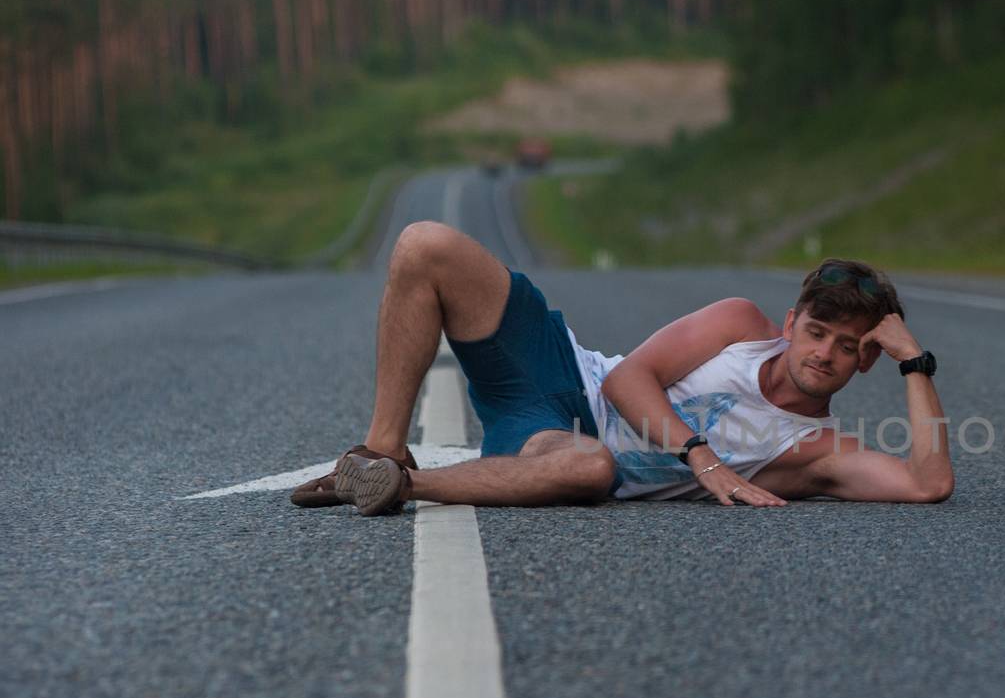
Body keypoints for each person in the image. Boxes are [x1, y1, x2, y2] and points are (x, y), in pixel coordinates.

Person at [290, 221, 952, 516]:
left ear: (865, 359)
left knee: (593, 468)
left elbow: (928, 484)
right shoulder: (740, 323)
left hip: (553, 445)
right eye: (816, 332)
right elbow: (624, 380)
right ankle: (380, 448)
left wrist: (913, 362)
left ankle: (392, 486)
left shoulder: (817, 451)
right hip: (562, 368)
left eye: (846, 346)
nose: (824, 354)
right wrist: (702, 458)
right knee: (424, 245)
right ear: (790, 323)